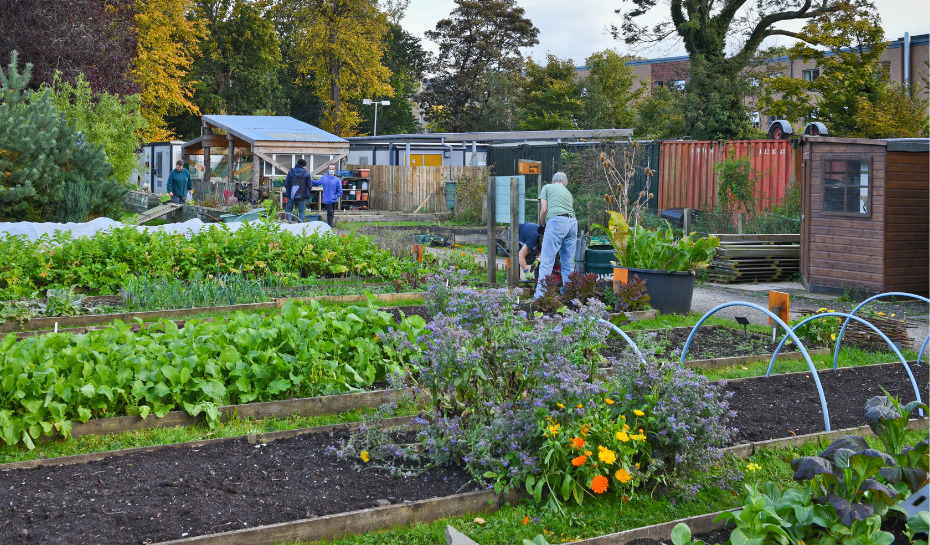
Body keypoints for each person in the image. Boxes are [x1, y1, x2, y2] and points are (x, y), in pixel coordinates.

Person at [534, 172, 577, 299]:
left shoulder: (547, 187)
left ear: (553, 181)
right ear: (565, 183)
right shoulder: (568, 192)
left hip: (556, 222)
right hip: (573, 224)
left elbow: (544, 209)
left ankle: (541, 296)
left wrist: (543, 224)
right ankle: (568, 294)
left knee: (547, 261)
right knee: (568, 263)